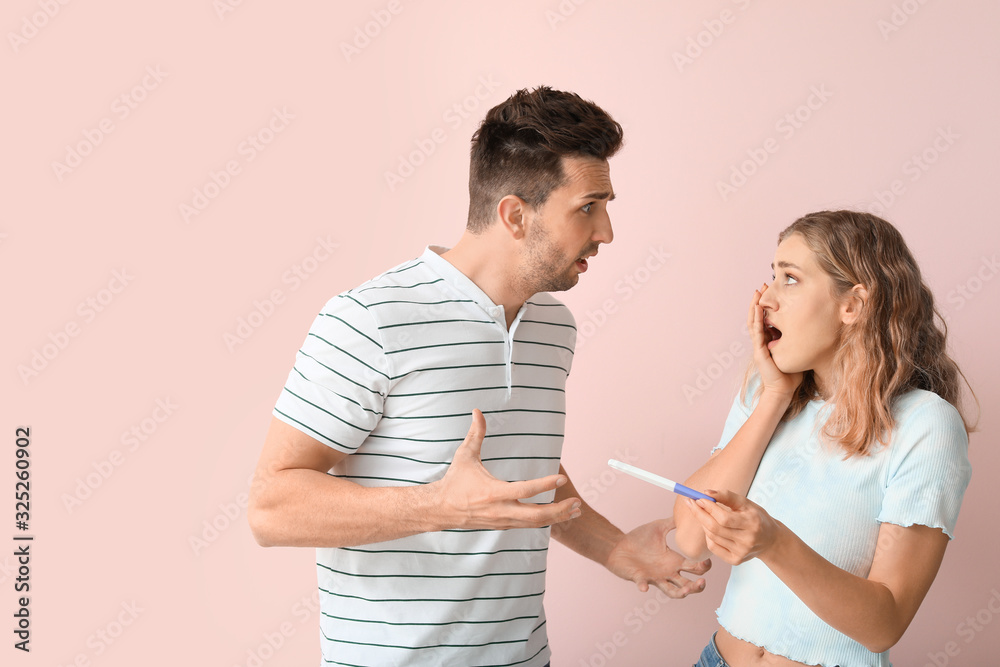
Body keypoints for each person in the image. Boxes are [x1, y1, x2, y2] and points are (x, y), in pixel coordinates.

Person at [248, 86, 710, 667]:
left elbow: (521, 469)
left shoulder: (553, 325)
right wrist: (440, 507)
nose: (607, 232)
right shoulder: (371, 318)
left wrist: (614, 548)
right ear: (515, 215)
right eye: (588, 207)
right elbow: (271, 506)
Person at [672, 210, 974, 667]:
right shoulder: (767, 391)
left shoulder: (925, 425)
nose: (765, 300)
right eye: (770, 277)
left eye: (790, 279)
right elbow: (691, 535)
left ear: (852, 304)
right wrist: (774, 396)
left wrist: (774, 543)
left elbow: (884, 625)